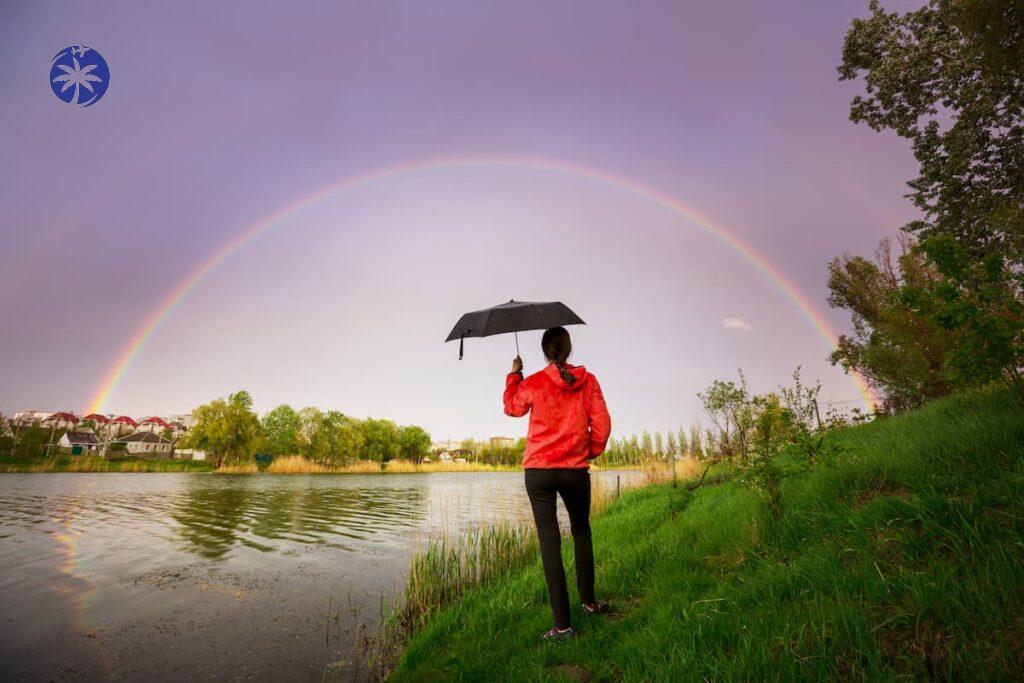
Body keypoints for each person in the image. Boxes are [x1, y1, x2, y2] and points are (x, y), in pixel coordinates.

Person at [503, 326, 612, 641]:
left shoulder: (534, 382)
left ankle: (563, 626)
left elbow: (512, 407)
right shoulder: (588, 381)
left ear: (544, 351)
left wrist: (514, 375)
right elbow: (602, 424)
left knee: (549, 543)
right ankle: (589, 604)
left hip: (539, 471)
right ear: (568, 348)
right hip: (574, 471)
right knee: (581, 532)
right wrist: (586, 451)